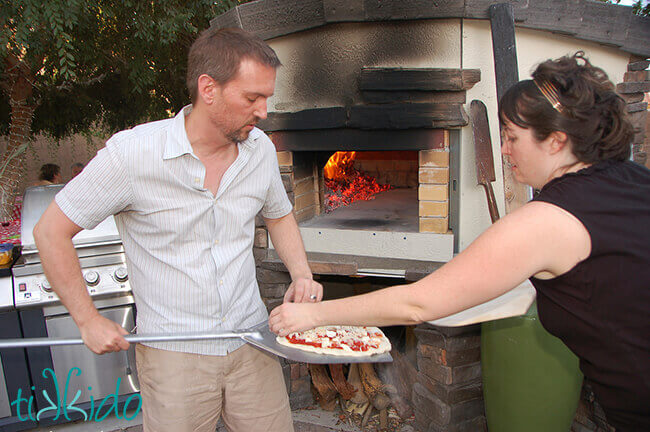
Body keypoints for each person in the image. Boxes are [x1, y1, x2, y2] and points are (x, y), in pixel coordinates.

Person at [269, 52, 650, 431]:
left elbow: (418, 302)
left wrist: (311, 315)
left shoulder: (547, 220)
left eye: (512, 137)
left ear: (556, 141)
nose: (503, 150)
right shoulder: (634, 179)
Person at [33, 28, 323, 432]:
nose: (262, 112)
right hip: (174, 357)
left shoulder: (259, 150)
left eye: (267, 98)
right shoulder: (132, 154)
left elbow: (278, 213)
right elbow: (50, 232)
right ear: (208, 88)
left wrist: (302, 273)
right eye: (252, 98)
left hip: (251, 341)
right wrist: (87, 319)